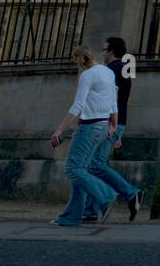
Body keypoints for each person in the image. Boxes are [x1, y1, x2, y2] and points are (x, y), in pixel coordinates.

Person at [50, 46, 118, 226]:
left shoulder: (87, 75)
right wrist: (114, 124)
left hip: (89, 127)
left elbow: (78, 105)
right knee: (80, 170)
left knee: (72, 169)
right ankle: (71, 217)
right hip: (104, 125)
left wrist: (59, 129)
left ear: (79, 61)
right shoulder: (108, 72)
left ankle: (106, 195)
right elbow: (113, 102)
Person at [82, 37, 143, 223]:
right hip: (117, 122)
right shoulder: (125, 68)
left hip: (107, 121)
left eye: (104, 49)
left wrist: (111, 124)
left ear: (112, 51)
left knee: (95, 165)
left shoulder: (111, 70)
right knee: (93, 165)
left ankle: (131, 193)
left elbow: (111, 98)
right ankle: (90, 211)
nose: (102, 52)